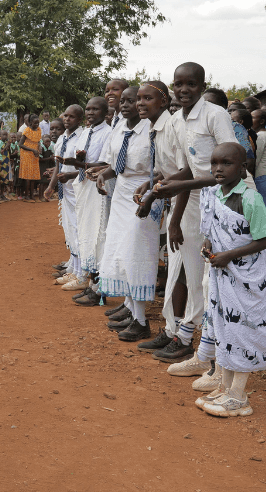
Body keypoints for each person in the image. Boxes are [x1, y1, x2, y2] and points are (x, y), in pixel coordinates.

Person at [143, 62, 243, 371]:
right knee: (184, 268)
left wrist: (177, 186)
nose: (184, 90)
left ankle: (198, 345)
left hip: (225, 199)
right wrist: (171, 210)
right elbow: (188, 169)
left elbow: (231, 167)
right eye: (179, 84)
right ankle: (181, 333)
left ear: (202, 86)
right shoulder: (177, 121)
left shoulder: (215, 115)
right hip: (194, 197)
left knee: (207, 276)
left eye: (191, 84)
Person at [197, 143, 266, 418]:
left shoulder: (250, 198)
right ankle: (226, 387)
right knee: (225, 329)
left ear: (242, 168)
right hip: (224, 276)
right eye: (215, 163)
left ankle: (239, 396)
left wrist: (229, 254)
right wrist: (209, 245)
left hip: (248, 280)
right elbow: (213, 229)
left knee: (243, 330)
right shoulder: (215, 195)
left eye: (227, 163)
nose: (218, 169)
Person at [88, 83, 171, 340]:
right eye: (122, 100)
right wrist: (105, 174)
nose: (124, 105)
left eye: (130, 100)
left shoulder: (153, 128)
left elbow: (159, 167)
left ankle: (141, 320)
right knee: (121, 252)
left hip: (145, 194)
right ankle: (132, 310)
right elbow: (117, 164)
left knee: (138, 253)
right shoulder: (120, 128)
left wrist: (151, 195)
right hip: (123, 193)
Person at [61, 97, 111, 295]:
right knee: (84, 232)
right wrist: (80, 160)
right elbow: (84, 159)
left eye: (95, 109)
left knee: (98, 234)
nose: (91, 113)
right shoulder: (86, 133)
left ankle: (98, 286)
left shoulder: (108, 133)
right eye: (88, 109)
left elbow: (105, 163)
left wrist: (80, 164)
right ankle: (86, 279)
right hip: (82, 187)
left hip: (97, 188)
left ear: (105, 112)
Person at [53, 105, 85, 283]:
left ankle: (80, 272)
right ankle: (73, 265)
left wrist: (69, 175)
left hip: (77, 188)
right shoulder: (63, 138)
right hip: (66, 190)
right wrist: (52, 183)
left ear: (79, 120)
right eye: (65, 115)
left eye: (71, 117)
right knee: (69, 226)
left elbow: (85, 165)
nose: (66, 119)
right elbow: (59, 164)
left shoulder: (81, 138)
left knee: (78, 228)